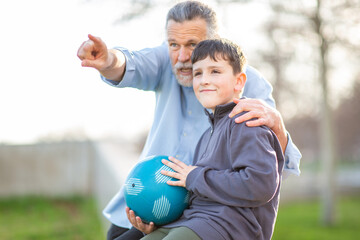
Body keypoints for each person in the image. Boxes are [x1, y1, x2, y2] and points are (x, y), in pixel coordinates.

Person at [77, 1, 301, 239]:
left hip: (213, 219)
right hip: (146, 203)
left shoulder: (249, 83)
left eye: (193, 45)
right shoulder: (168, 61)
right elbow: (132, 64)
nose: (182, 57)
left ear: (214, 41)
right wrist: (108, 60)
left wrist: (278, 126)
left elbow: (270, 169)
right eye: (173, 44)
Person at [138, 37, 284, 240]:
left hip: (230, 227)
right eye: (198, 73)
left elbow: (260, 184)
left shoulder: (247, 123)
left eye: (215, 71)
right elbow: (202, 193)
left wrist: (194, 176)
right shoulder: (207, 135)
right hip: (196, 220)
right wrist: (157, 216)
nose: (204, 79)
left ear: (239, 81)